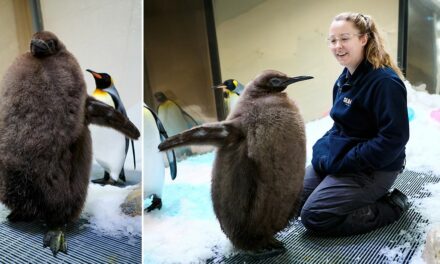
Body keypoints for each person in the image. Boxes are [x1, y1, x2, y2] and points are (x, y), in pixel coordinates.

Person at [300, 12, 410, 236]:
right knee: (289, 199)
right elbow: (340, 126)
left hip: (376, 167)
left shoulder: (385, 83)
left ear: (363, 39)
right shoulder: (344, 79)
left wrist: (345, 161)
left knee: (315, 215)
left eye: (344, 38)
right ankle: (342, 192)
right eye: (332, 40)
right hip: (346, 158)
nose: (337, 45)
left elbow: (393, 140)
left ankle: (391, 206)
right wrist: (322, 151)